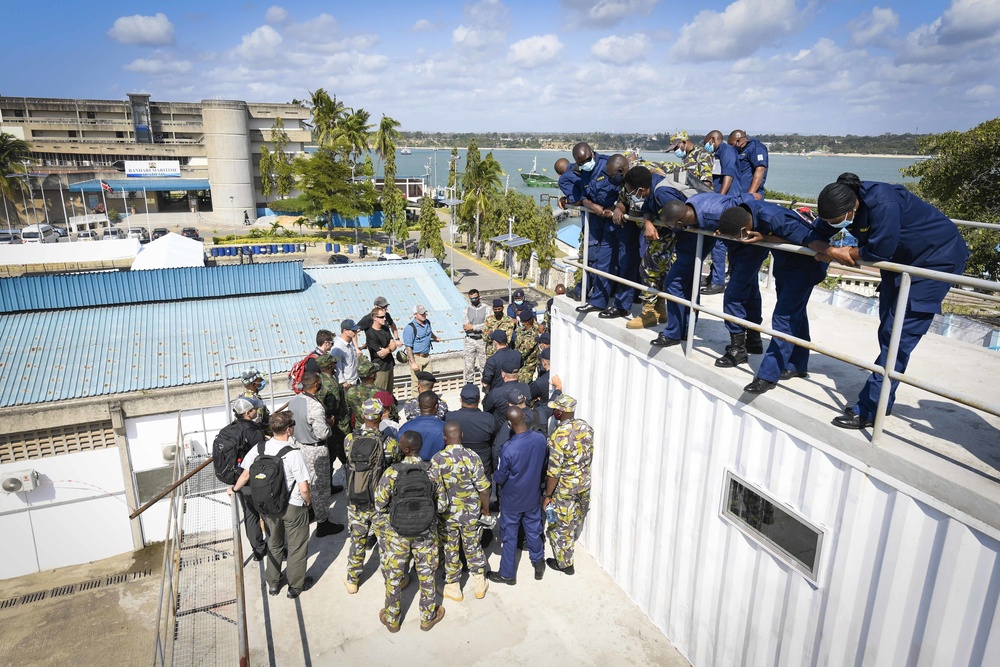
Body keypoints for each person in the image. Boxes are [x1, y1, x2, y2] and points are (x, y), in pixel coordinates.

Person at [806, 173, 969, 429]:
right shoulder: (840, 205)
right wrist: (831, 250)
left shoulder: (884, 203)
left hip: (936, 261)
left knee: (898, 335)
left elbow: (878, 251)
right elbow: (814, 235)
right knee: (887, 329)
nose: (834, 225)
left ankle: (870, 409)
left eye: (838, 221)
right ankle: (884, 398)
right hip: (900, 261)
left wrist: (844, 251)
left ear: (852, 208)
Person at [717, 201, 838, 394]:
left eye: (739, 235)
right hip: (787, 266)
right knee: (795, 314)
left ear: (744, 228)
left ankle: (767, 375)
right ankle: (797, 364)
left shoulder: (774, 218)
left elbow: (809, 240)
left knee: (784, 318)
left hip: (805, 268)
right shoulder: (746, 211)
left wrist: (764, 237)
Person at [650, 191, 759, 347]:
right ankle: (685, 330)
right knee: (686, 283)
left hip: (746, 244)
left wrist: (736, 228)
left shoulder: (715, 213)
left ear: (680, 224)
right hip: (706, 239)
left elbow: (750, 198)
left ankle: (674, 333)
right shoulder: (691, 205)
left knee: (674, 282)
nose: (671, 230)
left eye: (672, 227)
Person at [230, 411, 312, 598]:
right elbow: (304, 487)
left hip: (268, 506)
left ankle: (273, 583)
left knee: (274, 544)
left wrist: (234, 490)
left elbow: (245, 474)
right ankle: (295, 587)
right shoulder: (293, 454)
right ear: (289, 430)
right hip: (293, 506)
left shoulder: (259, 448)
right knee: (296, 547)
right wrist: (308, 502)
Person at [375, 431, 446, 633]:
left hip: (397, 533)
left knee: (394, 576)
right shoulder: (432, 470)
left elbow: (379, 503)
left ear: (404, 449)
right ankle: (427, 618)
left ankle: (392, 619)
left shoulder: (392, 472)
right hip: (426, 532)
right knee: (427, 575)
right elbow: (442, 506)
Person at [343, 398, 401, 594]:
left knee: (357, 540)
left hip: (356, 498)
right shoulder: (389, 443)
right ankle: (391, 580)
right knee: (385, 543)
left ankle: (352, 580)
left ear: (362, 416)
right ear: (381, 415)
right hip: (380, 501)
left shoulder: (350, 439)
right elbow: (396, 465)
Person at [429, 421, 492, 601]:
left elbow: (433, 489)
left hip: (447, 515)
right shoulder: (472, 457)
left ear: (444, 438)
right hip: (470, 512)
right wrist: (485, 511)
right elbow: (484, 489)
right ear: (462, 435)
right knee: (472, 545)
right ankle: (479, 582)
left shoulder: (437, 459)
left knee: (450, 548)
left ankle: (453, 586)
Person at [488, 406, 548, 585]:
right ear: (524, 418)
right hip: (532, 497)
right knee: (534, 531)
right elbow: (543, 463)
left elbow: (500, 477)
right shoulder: (540, 439)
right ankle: (538, 564)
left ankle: (507, 574)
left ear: (509, 423)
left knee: (509, 536)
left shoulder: (508, 448)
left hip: (512, 501)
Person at [575, 153, 636, 319]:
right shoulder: (611, 174)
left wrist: (619, 209)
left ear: (621, 171)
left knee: (626, 263)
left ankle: (622, 306)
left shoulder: (637, 173)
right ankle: (598, 301)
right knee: (604, 259)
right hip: (611, 220)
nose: (609, 178)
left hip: (628, 224)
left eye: (611, 175)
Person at [287, 372, 344, 537]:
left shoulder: (294, 401)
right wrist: (330, 424)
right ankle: (323, 523)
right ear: (316, 384)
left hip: (300, 447)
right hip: (315, 450)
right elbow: (322, 433)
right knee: (321, 487)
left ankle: (311, 512)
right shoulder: (315, 406)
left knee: (307, 482)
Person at [542, 395, 594, 575]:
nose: (553, 411)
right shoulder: (585, 427)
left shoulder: (559, 436)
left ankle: (565, 564)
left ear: (561, 412)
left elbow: (554, 472)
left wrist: (548, 496)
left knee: (561, 526)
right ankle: (569, 544)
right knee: (575, 519)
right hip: (584, 484)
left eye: (555, 409)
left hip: (565, 489)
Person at [619, 165, 672, 330]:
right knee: (659, 272)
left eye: (631, 192)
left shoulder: (661, 193)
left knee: (647, 270)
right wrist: (649, 222)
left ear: (641, 189)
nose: (630, 195)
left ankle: (648, 313)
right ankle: (661, 310)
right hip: (663, 236)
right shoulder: (654, 187)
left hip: (671, 237)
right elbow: (648, 209)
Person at [218, 397, 268, 561]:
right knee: (267, 514)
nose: (257, 411)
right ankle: (278, 549)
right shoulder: (254, 432)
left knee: (250, 515)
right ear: (248, 413)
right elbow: (262, 458)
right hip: (255, 480)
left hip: (238, 480)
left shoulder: (230, 429)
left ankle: (258, 550)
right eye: (254, 409)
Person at [703, 130, 741, 295]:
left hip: (726, 202)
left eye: (706, 142)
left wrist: (720, 198)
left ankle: (718, 282)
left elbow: (729, 175)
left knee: (719, 241)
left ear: (713, 139)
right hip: (724, 201)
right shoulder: (719, 153)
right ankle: (714, 276)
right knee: (715, 240)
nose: (706, 146)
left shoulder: (726, 151)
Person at [445, 384, 500, 477]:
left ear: (461, 399)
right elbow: (495, 441)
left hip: (457, 468)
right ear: (479, 400)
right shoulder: (489, 419)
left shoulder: (450, 417)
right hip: (482, 468)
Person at [315, 353, 349, 476]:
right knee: (344, 454)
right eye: (333, 363)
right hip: (338, 424)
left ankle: (329, 484)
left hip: (328, 423)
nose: (335, 365)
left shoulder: (320, 380)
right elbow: (334, 406)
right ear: (330, 366)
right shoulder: (332, 384)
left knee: (331, 455)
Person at [403, 305, 440, 396]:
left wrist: (435, 338)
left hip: (426, 356)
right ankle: (416, 403)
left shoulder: (427, 323)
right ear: (415, 315)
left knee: (428, 381)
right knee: (416, 383)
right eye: (421, 313)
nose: (424, 315)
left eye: (424, 313)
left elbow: (429, 332)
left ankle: (427, 400)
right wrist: (413, 362)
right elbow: (408, 347)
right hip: (417, 358)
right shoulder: (410, 328)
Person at [397, 391, 446, 460]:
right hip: (438, 468)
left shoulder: (405, 428)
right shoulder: (445, 428)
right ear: (437, 406)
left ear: (419, 405)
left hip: (413, 468)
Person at [728, 129, 769, 199]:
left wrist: (749, 196)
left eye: (732, 145)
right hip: (737, 196)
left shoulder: (756, 148)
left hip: (749, 198)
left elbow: (760, 170)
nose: (731, 148)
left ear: (738, 142)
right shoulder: (740, 151)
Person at [366, 306, 398, 392]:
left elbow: (394, 345)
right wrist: (390, 347)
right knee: (381, 396)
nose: (384, 319)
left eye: (385, 316)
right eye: (381, 317)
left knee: (389, 396)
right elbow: (381, 354)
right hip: (380, 369)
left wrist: (388, 349)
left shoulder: (385, 328)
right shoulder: (370, 334)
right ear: (374, 318)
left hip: (390, 365)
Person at [462, 288, 489, 382]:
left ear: (479, 297)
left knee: (484, 366)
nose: (474, 300)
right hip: (470, 340)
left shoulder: (486, 308)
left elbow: (487, 325)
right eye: (472, 299)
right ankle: (469, 386)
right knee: (469, 366)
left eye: (475, 298)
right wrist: (478, 327)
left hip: (482, 340)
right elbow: (465, 326)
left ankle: (485, 386)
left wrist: (473, 327)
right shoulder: (467, 309)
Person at [238, 367, 271, 433]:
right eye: (260, 380)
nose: (262, 381)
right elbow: (255, 424)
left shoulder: (242, 397)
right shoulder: (252, 400)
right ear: (254, 384)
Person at [514, 305, 540, 384]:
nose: (521, 323)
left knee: (523, 386)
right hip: (521, 365)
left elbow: (522, 353)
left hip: (527, 367)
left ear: (526, 323)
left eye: (522, 321)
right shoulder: (524, 330)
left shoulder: (531, 336)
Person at [331, 319, 361, 388]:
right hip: (347, 384)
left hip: (356, 381)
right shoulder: (338, 348)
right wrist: (343, 382)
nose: (355, 332)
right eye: (353, 330)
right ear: (345, 331)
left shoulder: (351, 343)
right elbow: (337, 367)